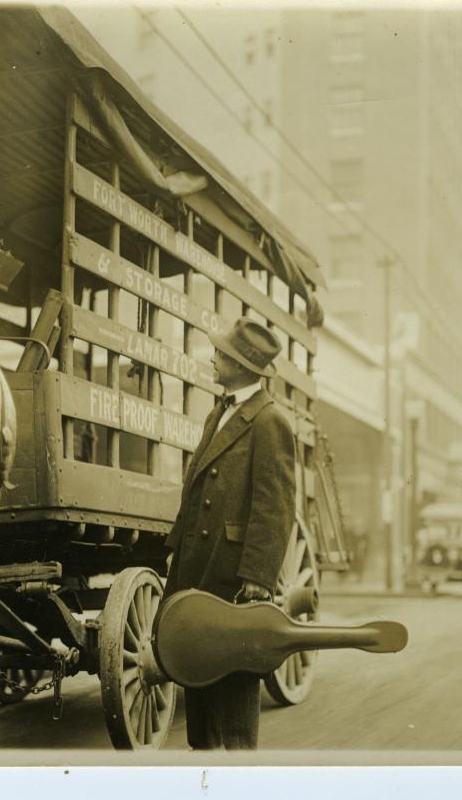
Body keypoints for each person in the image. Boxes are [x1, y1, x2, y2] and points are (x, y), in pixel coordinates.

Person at [163, 316, 296, 751]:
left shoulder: (269, 420)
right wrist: (175, 555)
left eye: (221, 353)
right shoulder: (219, 412)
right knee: (197, 676)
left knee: (236, 693)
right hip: (198, 571)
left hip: (234, 577)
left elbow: (274, 508)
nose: (213, 357)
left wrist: (257, 580)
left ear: (241, 365)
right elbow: (194, 488)